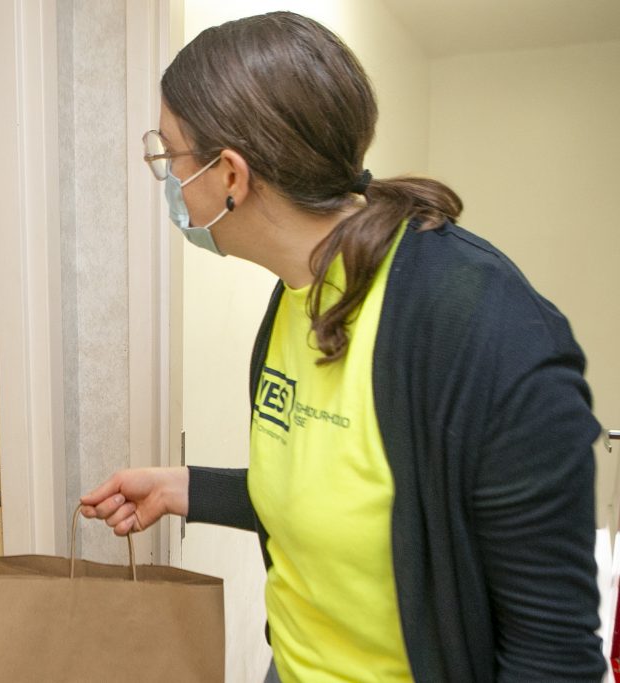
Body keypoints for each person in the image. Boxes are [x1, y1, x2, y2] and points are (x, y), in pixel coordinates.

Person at [81, 11, 603, 682]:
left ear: (231, 175)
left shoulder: (490, 338)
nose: (169, 180)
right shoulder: (297, 293)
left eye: (170, 155)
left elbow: (553, 658)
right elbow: (338, 492)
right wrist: (186, 488)